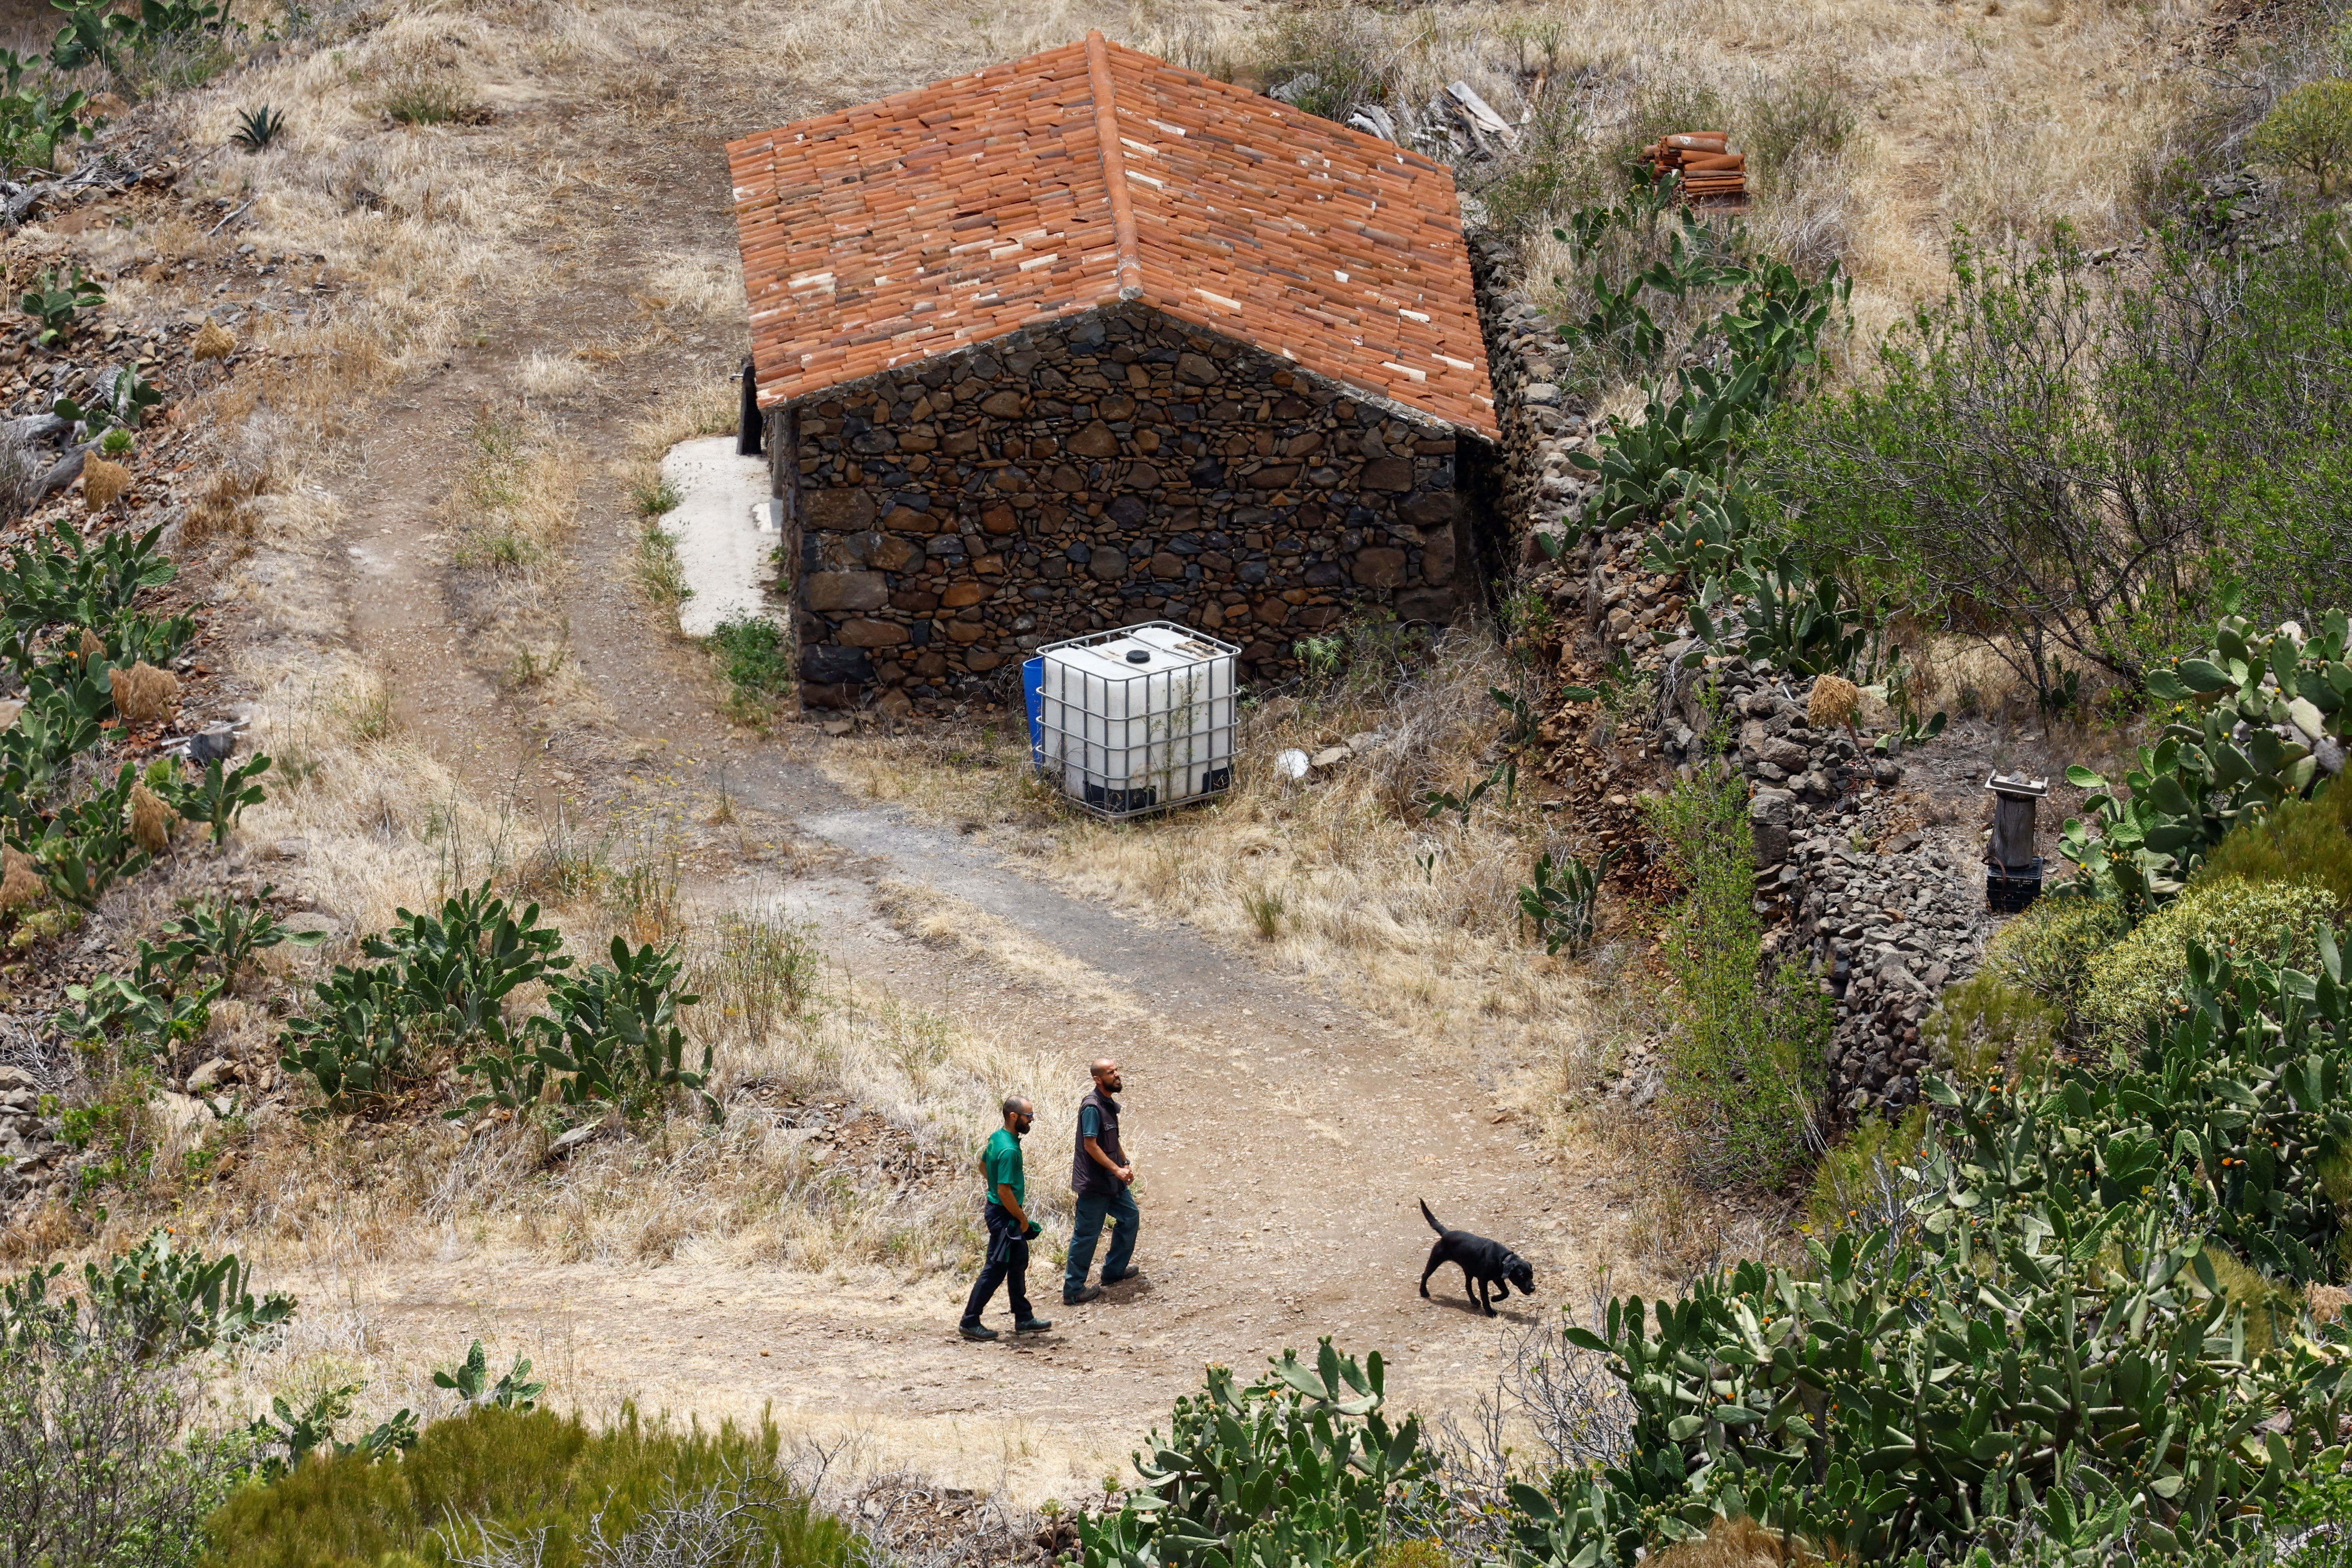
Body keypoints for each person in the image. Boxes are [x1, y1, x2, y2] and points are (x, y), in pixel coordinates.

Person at [959, 1095, 1053, 1342]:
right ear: (1014, 1117)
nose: (1032, 1120)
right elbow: (1004, 1190)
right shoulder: (1010, 1149)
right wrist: (1022, 1220)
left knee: (1018, 1261)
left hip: (1000, 1210)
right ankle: (970, 1321)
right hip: (1005, 1215)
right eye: (1029, 1116)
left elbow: (983, 1165)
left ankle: (1023, 1318)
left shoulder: (997, 1137)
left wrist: (995, 1191)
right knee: (996, 1268)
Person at [1063, 1058, 1139, 1306]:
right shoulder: (1092, 1107)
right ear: (1098, 1079)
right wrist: (1117, 1169)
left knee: (1130, 1218)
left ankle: (1113, 1271)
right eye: (1111, 1072)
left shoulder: (1107, 1104)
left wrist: (1124, 1162)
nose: (1117, 1075)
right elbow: (1090, 1145)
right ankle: (1074, 1289)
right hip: (1095, 1184)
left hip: (1112, 1181)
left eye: (1117, 1070)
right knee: (1087, 1235)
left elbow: (1112, 1139)